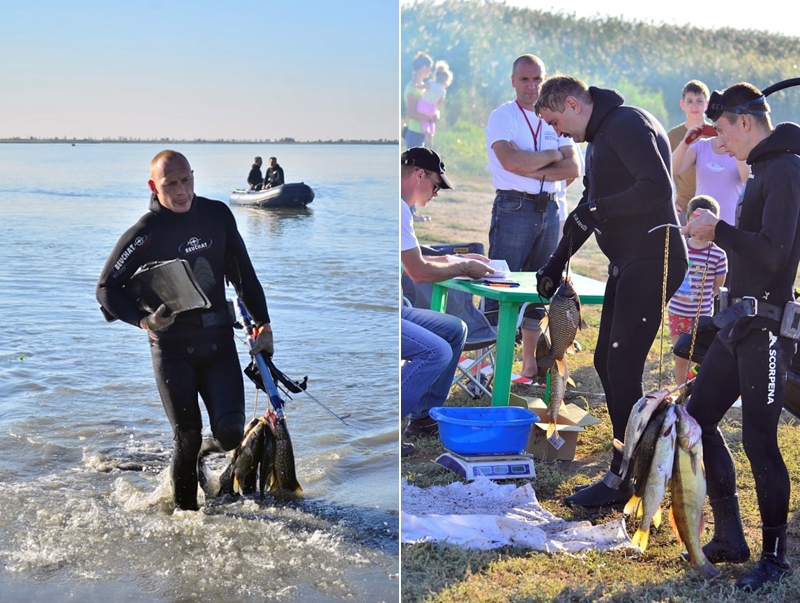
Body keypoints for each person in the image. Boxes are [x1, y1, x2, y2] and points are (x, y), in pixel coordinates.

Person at [535, 75, 688, 507]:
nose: (556, 132)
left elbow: (657, 188)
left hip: (654, 256)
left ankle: (626, 477)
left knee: (621, 366)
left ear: (572, 103)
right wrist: (554, 263)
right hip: (629, 260)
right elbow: (585, 214)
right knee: (606, 360)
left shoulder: (625, 123)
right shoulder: (600, 139)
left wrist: (599, 209)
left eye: (554, 120)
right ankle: (630, 467)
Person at [96, 150, 274, 511]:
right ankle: (183, 518)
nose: (181, 191)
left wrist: (263, 325)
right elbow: (106, 289)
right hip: (172, 349)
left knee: (229, 434)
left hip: (218, 342)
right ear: (153, 186)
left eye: (186, 180)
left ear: (193, 175)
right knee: (187, 436)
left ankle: (200, 460)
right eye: (170, 184)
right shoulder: (145, 233)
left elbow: (244, 277)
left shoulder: (216, 215)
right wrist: (144, 321)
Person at [682, 82, 800, 591]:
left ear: (745, 121)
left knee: (759, 440)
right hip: (738, 326)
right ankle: (731, 535)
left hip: (768, 330)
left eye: (723, 128)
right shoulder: (764, 170)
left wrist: (718, 231)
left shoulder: (786, 171)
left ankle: (775, 557)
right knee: (698, 416)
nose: (719, 140)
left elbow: (775, 254)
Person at [485, 54, 579, 382]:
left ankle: (528, 366)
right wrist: (553, 155)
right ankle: (492, 365)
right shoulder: (503, 117)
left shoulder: (555, 116)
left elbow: (573, 169)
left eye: (537, 78)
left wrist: (535, 162)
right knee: (500, 284)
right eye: (525, 79)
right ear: (513, 81)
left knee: (542, 287)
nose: (532, 86)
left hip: (551, 208)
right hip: (514, 207)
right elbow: (511, 162)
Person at [400, 147, 494, 453]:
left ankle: (424, 416)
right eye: (436, 186)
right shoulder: (397, 208)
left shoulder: (401, 208)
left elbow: (415, 256)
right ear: (419, 175)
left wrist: (456, 257)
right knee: (436, 352)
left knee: (455, 329)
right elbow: (418, 272)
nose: (436, 194)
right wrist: (465, 267)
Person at [667, 195, 727, 385]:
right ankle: (680, 395)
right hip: (676, 313)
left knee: (700, 358)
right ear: (687, 221)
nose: (698, 226)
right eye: (694, 221)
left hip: (701, 318)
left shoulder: (719, 255)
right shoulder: (679, 248)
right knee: (680, 357)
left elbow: (717, 288)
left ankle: (697, 393)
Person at [672, 122, 749, 226]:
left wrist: (735, 146)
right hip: (700, 220)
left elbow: (747, 179)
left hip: (729, 222)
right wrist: (686, 143)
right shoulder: (701, 146)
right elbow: (674, 169)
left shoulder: (740, 149)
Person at [668, 80, 712, 225]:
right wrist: (670, 202)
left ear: (707, 104)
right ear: (683, 105)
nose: (694, 106)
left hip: (712, 207)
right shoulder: (673, 136)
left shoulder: (717, 133)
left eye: (699, 101)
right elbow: (664, 171)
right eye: (690, 101)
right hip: (683, 207)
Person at [417, 60, 454, 148]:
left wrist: (415, 85)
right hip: (431, 108)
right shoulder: (443, 91)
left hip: (422, 106)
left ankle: (427, 135)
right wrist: (433, 108)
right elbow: (439, 103)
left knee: (425, 122)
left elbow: (421, 87)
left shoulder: (430, 83)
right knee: (431, 123)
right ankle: (430, 140)